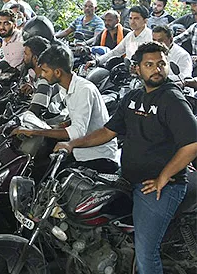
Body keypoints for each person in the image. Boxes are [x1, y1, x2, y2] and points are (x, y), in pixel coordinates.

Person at [54, 42, 197, 274]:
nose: (157, 69)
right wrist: (72, 144)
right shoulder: (132, 97)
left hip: (158, 188)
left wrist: (163, 177)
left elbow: (192, 144)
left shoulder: (172, 100)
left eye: (161, 64)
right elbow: (107, 132)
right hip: (128, 178)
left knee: (146, 255)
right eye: (149, 65)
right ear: (137, 69)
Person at [13, 45, 119, 173]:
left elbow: (77, 131)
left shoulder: (84, 90)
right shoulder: (64, 87)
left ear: (57, 72)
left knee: (43, 174)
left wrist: (36, 131)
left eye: (45, 71)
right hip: (79, 148)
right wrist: (57, 126)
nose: (42, 75)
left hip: (97, 155)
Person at [22, 36, 65, 121]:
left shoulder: (45, 80)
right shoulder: (42, 74)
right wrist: (33, 88)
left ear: (35, 58)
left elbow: (34, 111)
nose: (24, 57)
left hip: (52, 123)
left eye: (26, 54)